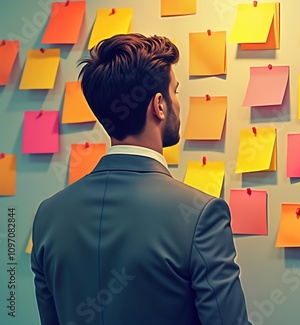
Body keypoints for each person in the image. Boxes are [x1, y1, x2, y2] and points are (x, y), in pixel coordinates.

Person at [31, 33, 250, 325]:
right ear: (159, 105)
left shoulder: (48, 215)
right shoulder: (201, 214)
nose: (178, 103)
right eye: (175, 91)